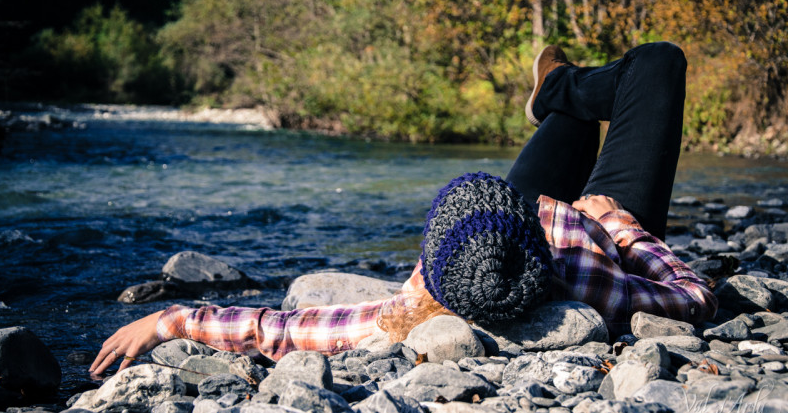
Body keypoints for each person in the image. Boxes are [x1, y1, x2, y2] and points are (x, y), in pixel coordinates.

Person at [90, 42, 718, 376]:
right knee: (656, 63)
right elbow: (695, 297)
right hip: (598, 218)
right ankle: (559, 88)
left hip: (512, 227)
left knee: (573, 126)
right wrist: (620, 226)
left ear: (433, 259)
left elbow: (276, 330)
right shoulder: (593, 281)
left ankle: (557, 94)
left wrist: (171, 320)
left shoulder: (417, 303)